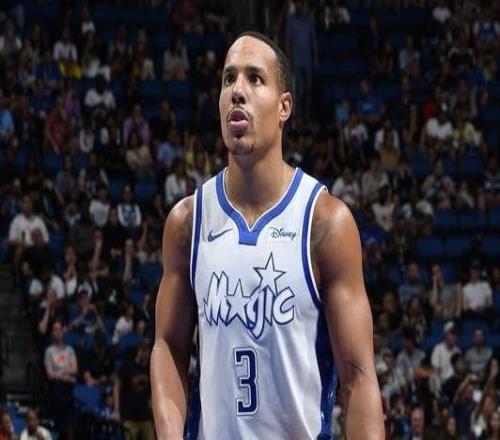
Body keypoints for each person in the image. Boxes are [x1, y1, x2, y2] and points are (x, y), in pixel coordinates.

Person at [150, 31, 384, 438]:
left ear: (284, 107)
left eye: (255, 78)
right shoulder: (188, 222)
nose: (237, 91)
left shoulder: (325, 222)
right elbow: (168, 345)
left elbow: (359, 378)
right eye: (228, 78)